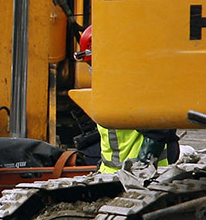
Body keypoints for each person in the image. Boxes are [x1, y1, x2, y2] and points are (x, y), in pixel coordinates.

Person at [73, 25, 179, 173]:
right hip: (113, 176)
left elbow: (159, 131)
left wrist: (143, 166)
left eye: (91, 63)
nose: (91, 69)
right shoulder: (113, 86)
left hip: (139, 178)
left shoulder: (132, 87)